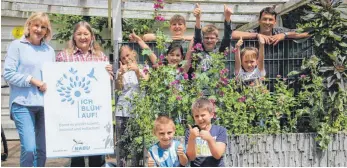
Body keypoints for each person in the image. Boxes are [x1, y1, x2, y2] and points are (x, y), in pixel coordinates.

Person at [56, 21, 113, 167]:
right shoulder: (63, 57)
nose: (83, 37)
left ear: (92, 36)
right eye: (79, 34)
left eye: (86, 34)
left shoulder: (101, 57)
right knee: (76, 154)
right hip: (72, 113)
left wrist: (109, 74)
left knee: (97, 153)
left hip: (93, 112)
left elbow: (106, 84)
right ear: (74, 37)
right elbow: (58, 82)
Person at [3, 12, 55, 167]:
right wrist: (31, 80)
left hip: (44, 106)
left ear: (47, 31)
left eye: (43, 27)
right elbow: (8, 74)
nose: (39, 29)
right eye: (36, 25)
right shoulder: (16, 46)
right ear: (29, 25)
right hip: (22, 104)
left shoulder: (49, 51)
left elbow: (53, 77)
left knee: (42, 150)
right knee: (30, 148)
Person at [115, 45, 149, 166]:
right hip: (122, 112)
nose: (126, 59)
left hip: (137, 113)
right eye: (123, 58)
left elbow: (145, 84)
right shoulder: (120, 71)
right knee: (122, 146)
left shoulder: (144, 67)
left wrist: (137, 70)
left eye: (128, 55)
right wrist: (119, 75)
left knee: (137, 147)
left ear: (134, 53)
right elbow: (118, 90)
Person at [186, 4, 232, 73]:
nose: (209, 40)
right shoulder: (199, 51)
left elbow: (227, 38)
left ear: (217, 40)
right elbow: (197, 35)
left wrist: (227, 18)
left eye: (212, 38)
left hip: (214, 83)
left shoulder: (220, 52)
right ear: (203, 39)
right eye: (206, 38)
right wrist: (198, 18)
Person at [231, 7, 310, 45]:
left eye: (270, 20)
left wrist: (285, 35)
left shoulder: (279, 32)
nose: (267, 22)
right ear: (259, 20)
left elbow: (307, 33)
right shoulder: (254, 32)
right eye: (264, 19)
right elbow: (233, 34)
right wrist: (258, 35)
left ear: (275, 22)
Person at [185, 97, 227, 167]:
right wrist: (191, 138)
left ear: (211, 115)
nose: (200, 118)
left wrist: (209, 139)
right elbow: (191, 157)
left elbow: (218, 155)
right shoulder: (190, 132)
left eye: (203, 115)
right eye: (196, 116)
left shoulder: (220, 130)